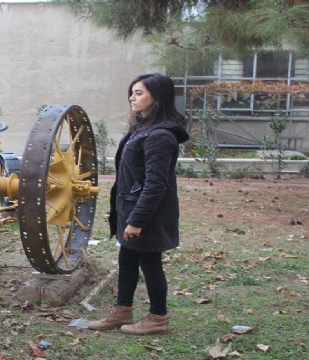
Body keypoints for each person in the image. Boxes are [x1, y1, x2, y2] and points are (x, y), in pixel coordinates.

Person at [88, 73, 189, 335]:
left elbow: (156, 184)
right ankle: (122, 310)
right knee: (127, 260)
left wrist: (137, 220)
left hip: (148, 215)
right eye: (131, 93)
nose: (132, 98)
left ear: (158, 97)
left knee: (150, 262)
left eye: (139, 93)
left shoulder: (159, 136)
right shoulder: (142, 129)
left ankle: (158, 318)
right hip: (131, 208)